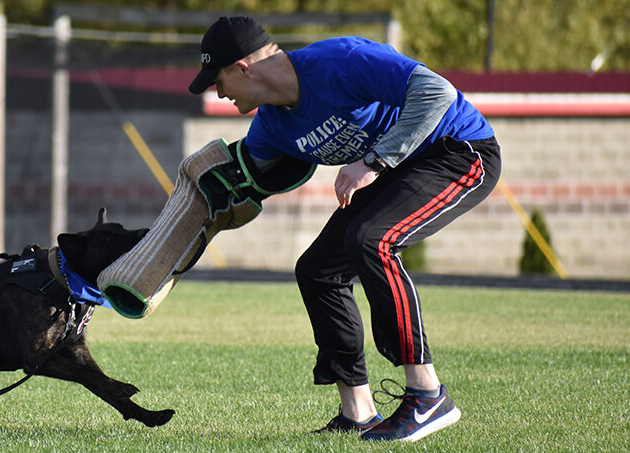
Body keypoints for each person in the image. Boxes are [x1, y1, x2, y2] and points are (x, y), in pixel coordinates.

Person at [187, 16, 501, 442]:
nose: (218, 92)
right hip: (399, 168)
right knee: (317, 270)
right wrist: (180, 231)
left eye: (218, 79)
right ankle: (359, 411)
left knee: (373, 239)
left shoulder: (340, 60)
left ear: (243, 68)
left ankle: (427, 395)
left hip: (457, 151)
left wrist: (372, 162)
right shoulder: (271, 128)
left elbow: (437, 92)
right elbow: (244, 186)